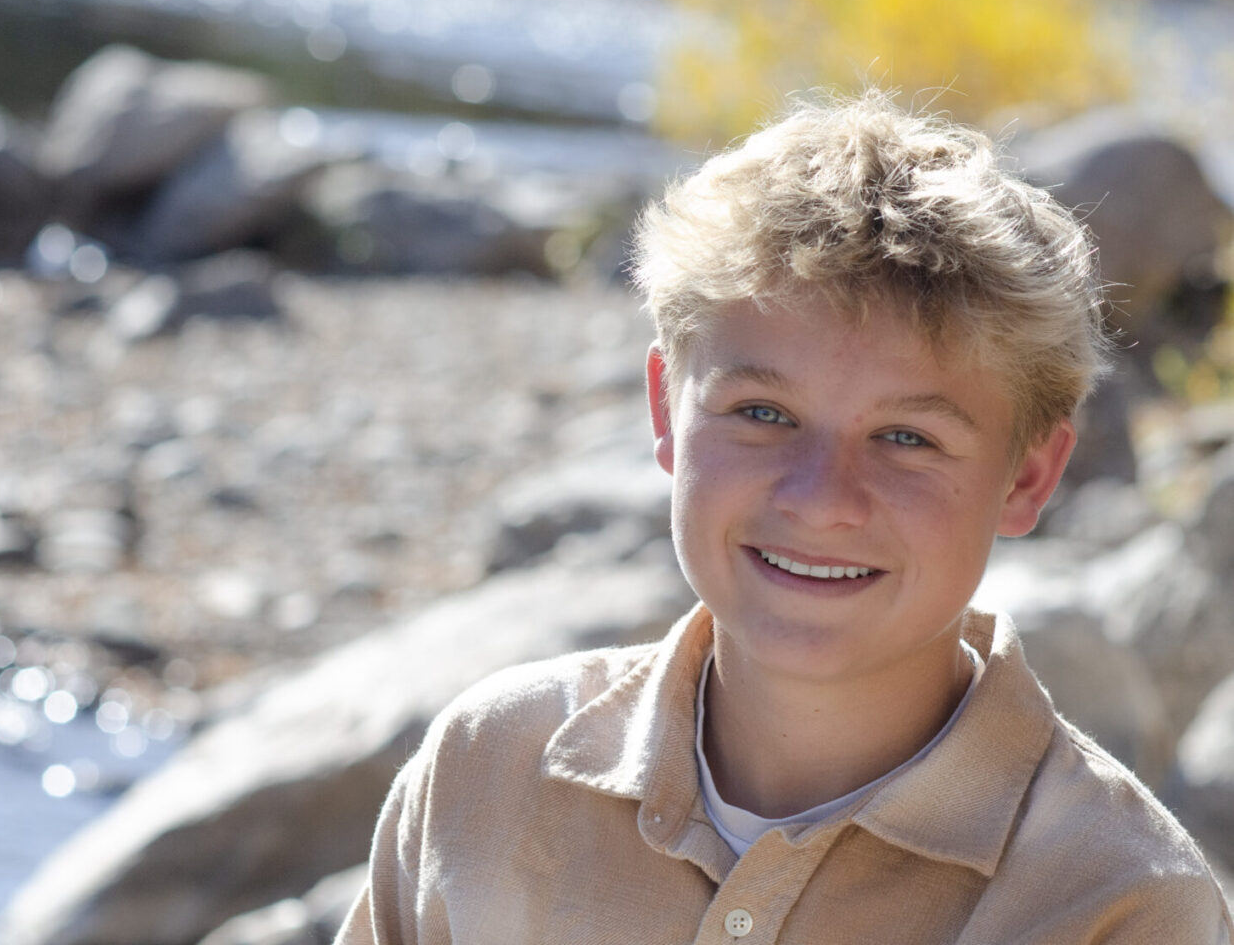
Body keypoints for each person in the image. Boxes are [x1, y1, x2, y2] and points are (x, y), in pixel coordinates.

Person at [333, 91, 1234, 944]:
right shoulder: (490, 765)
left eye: (907, 438)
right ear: (664, 413)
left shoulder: (1118, 902)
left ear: (1027, 476)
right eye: (763, 415)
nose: (820, 499)